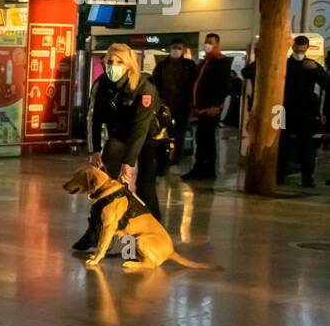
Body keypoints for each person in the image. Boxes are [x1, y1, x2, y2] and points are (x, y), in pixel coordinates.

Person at [74, 43, 165, 250]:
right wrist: (95, 149)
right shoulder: (101, 84)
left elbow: (140, 129)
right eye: (110, 62)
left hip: (148, 136)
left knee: (144, 186)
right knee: (104, 186)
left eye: (119, 62)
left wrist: (128, 163)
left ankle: (152, 234)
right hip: (119, 135)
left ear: (129, 64)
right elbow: (93, 118)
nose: (113, 66)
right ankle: (94, 234)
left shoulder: (144, 87)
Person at [279, 35, 330, 187]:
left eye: (302, 49)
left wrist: (316, 70)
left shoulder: (312, 65)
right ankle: (279, 174)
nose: (299, 52)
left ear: (307, 49)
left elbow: (326, 84)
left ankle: (307, 177)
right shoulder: (285, 64)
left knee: (307, 147)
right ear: (292, 47)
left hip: (306, 113)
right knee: (282, 145)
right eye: (296, 48)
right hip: (285, 110)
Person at [182, 33, 231, 181]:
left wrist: (216, 105)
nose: (207, 44)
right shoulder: (204, 62)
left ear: (217, 44)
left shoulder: (221, 62)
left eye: (210, 42)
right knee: (201, 138)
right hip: (201, 108)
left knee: (207, 139)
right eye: (206, 42)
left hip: (211, 109)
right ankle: (200, 168)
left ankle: (207, 170)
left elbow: (223, 85)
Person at [151, 40, 196, 166]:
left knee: (180, 133)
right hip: (166, 105)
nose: (176, 50)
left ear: (183, 50)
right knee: (165, 132)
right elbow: (155, 84)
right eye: (174, 47)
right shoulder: (162, 66)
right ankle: (164, 155)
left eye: (179, 48)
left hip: (183, 105)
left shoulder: (189, 65)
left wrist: (192, 102)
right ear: (170, 48)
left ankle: (176, 157)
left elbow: (194, 83)